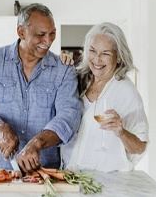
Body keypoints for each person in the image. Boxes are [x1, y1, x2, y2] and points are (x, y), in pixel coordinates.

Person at [0, 3, 82, 174]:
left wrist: (37, 143)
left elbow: (69, 116)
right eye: (40, 35)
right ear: (21, 32)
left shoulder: (64, 69)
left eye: (52, 33)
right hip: (3, 171)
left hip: (46, 172)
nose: (48, 41)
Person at [61, 22, 149, 172]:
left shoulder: (126, 91)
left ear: (119, 57)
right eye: (93, 51)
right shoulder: (77, 79)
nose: (97, 59)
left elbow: (140, 147)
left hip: (106, 182)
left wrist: (122, 132)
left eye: (106, 53)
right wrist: (60, 66)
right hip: (69, 175)